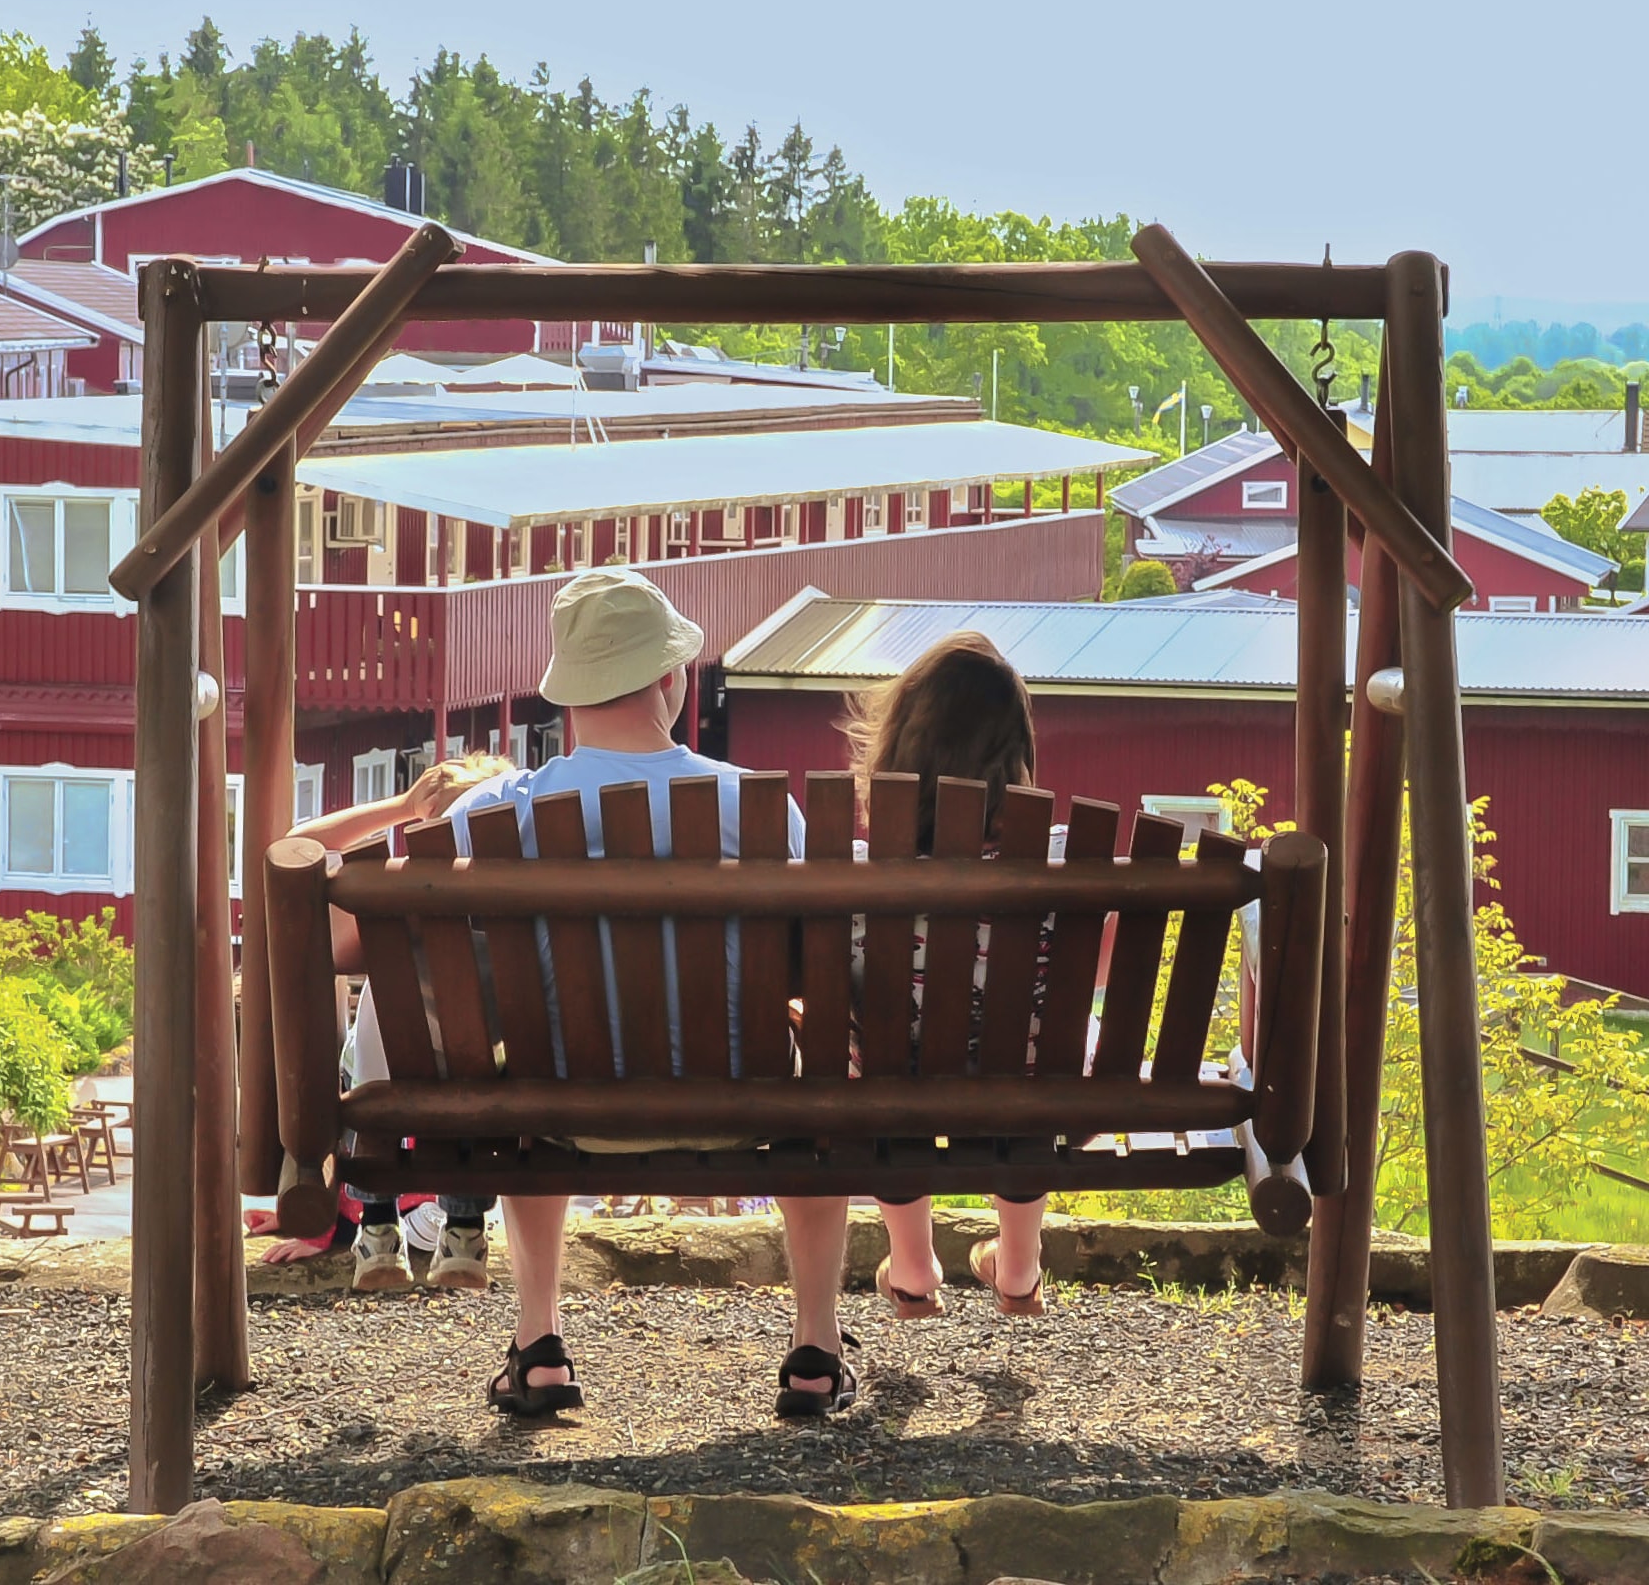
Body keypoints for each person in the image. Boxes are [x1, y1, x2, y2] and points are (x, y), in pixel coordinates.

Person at [443, 568, 855, 1420]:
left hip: (567, 1106)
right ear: (673, 679)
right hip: (748, 1103)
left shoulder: (502, 810)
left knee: (530, 1067)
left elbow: (356, 941)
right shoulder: (756, 806)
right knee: (814, 1094)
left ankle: (539, 1343)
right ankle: (815, 1348)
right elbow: (818, 962)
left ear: (566, 694)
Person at [842, 631, 1109, 1321]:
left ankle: (911, 1265)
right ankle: (1018, 1266)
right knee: (1039, 1053)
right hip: (1035, 1088)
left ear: (898, 746)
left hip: (896, 1089)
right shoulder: (1064, 862)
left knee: (879, 1068)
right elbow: (1095, 968)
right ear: (1018, 754)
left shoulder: (856, 873)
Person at [288, 753, 511, 1292]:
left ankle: (378, 1228)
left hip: (384, 1088)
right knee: (478, 1072)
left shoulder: (391, 895)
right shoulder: (517, 902)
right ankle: (464, 1232)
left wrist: (402, 806)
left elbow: (301, 844)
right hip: (482, 1089)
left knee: (374, 1035)